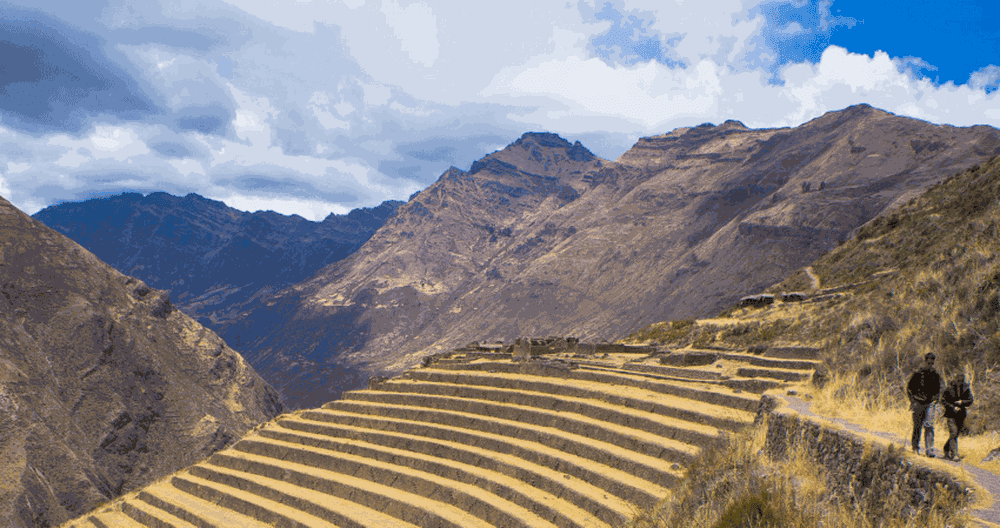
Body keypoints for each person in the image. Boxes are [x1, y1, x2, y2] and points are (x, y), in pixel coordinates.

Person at [907, 353, 942, 457]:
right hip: (918, 402)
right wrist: (912, 401)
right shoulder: (918, 374)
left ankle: (929, 449)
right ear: (925, 362)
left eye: (932, 363)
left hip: (930, 403)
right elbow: (909, 389)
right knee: (917, 426)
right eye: (928, 362)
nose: (930, 365)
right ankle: (915, 448)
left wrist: (936, 400)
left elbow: (938, 389)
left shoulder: (935, 375)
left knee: (929, 425)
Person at [941, 372, 974, 461]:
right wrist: (952, 407)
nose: (959, 382)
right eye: (958, 380)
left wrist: (962, 402)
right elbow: (943, 401)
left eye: (961, 381)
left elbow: (970, 400)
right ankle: (954, 454)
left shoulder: (966, 388)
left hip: (961, 415)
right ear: (955, 380)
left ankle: (946, 448)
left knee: (955, 434)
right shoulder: (949, 389)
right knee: (953, 433)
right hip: (950, 414)